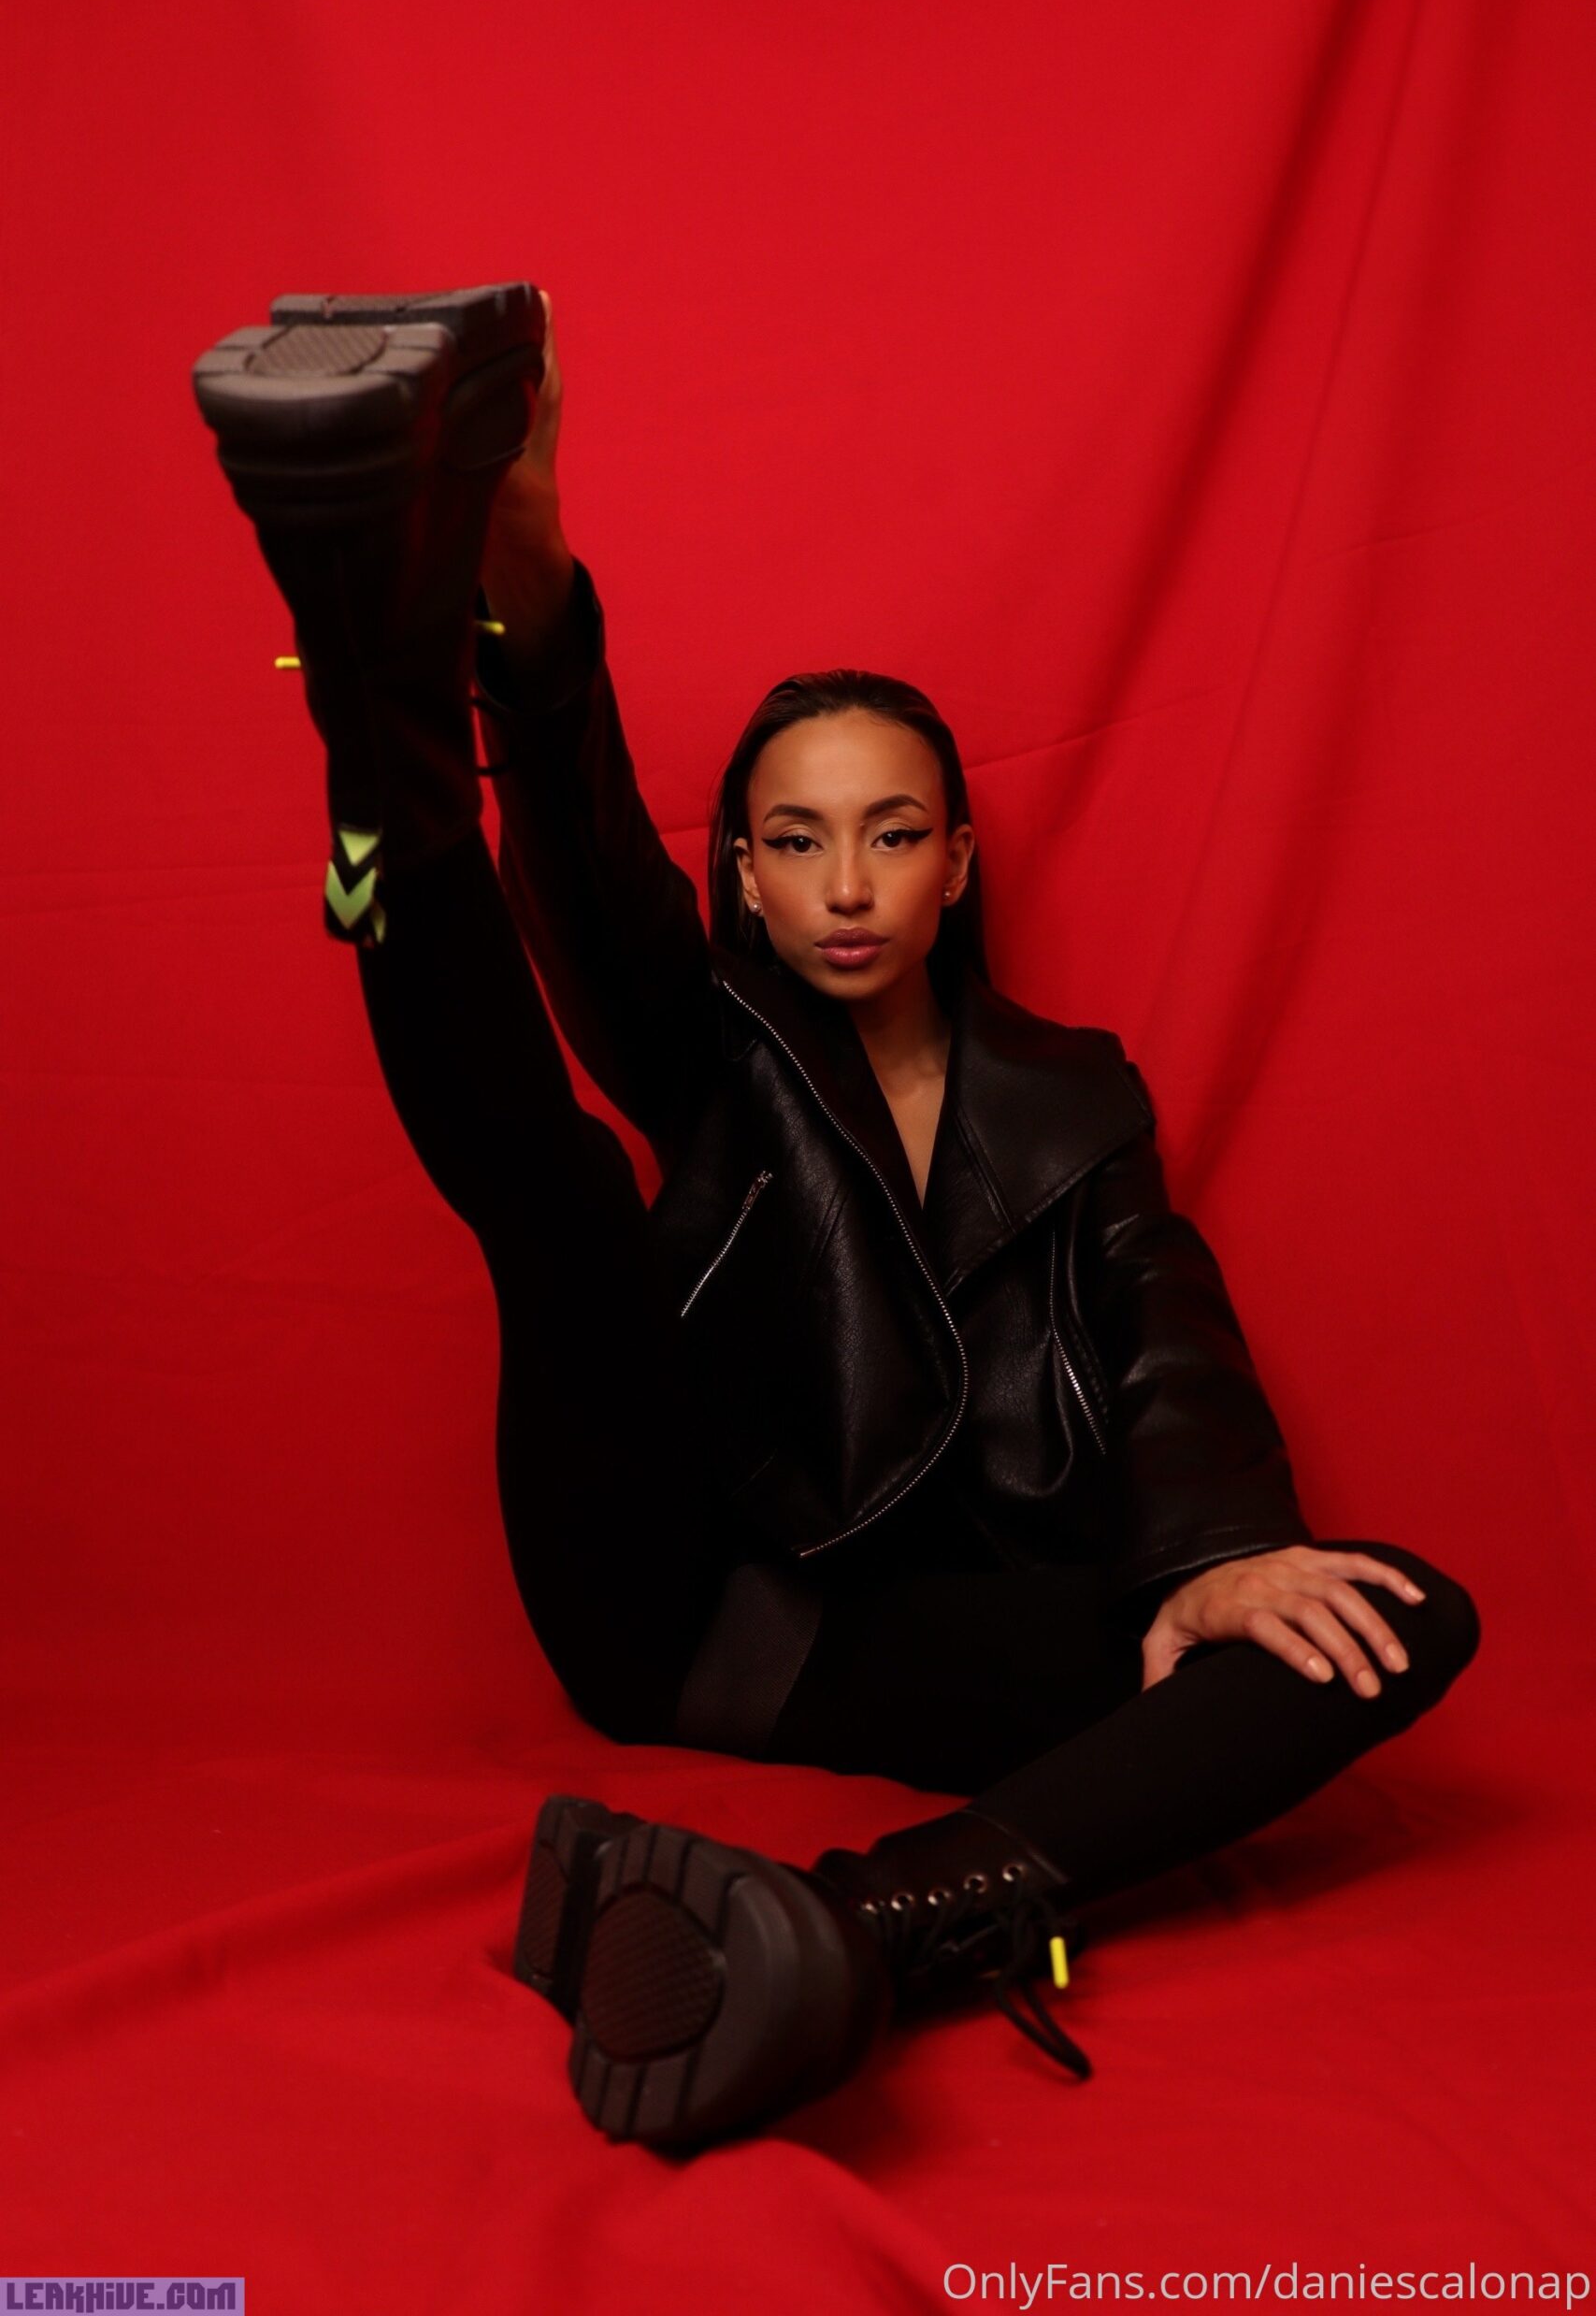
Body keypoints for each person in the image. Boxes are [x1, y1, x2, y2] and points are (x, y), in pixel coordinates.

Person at [192, 281, 1480, 2156]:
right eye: (795, 841)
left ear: (957, 860)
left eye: (891, 832)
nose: (848, 883)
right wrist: (526, 567)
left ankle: (853, 1931)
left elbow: (1164, 1335)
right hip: (687, 1592)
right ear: (746, 876)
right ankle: (383, 729)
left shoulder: (1076, 1098)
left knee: (1393, 1617)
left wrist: (1220, 1552)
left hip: (908, 1631)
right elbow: (586, 870)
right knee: (566, 1195)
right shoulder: (706, 1031)